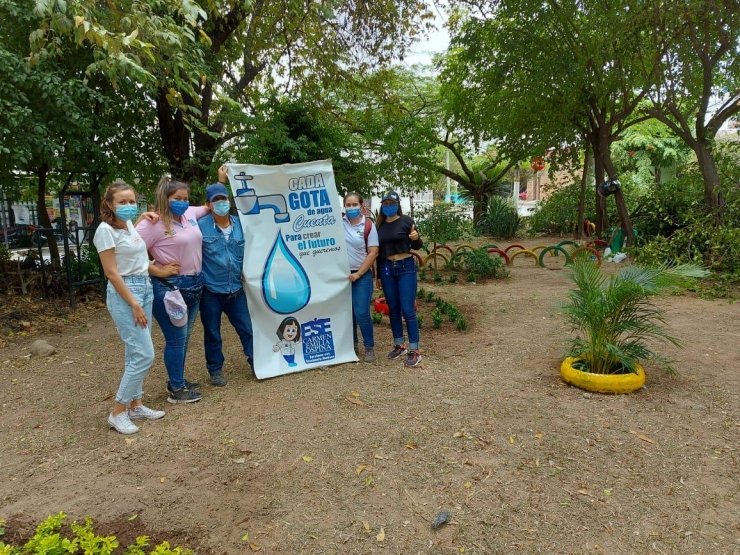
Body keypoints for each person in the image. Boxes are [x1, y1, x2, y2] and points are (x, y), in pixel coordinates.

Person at [93, 180, 165, 434]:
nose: (128, 206)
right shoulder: (105, 231)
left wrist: (143, 215)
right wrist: (134, 304)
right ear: (109, 205)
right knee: (145, 354)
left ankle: (136, 404)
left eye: (132, 201)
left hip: (144, 286)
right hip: (126, 293)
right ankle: (118, 410)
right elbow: (112, 273)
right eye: (122, 202)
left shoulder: (129, 224)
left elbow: (133, 245)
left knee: (134, 352)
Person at [136, 175, 209, 404]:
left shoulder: (189, 215)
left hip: (195, 285)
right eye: (178, 198)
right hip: (170, 288)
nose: (183, 202)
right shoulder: (152, 223)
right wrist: (156, 270)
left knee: (184, 338)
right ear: (165, 198)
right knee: (176, 339)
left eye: (186, 198)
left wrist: (221, 180)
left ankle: (177, 379)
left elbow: (209, 207)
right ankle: (177, 389)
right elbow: (124, 253)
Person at [198, 172, 254, 386]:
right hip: (211, 291)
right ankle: (215, 369)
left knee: (247, 328)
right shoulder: (200, 226)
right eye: (216, 200)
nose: (221, 203)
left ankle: (256, 361)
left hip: (236, 289)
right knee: (212, 332)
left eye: (224, 199)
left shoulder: (241, 224)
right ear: (208, 205)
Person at [375, 190, 423, 367]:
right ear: (382, 206)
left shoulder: (406, 221)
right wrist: (378, 276)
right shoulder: (379, 226)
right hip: (387, 269)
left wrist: (416, 238)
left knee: (407, 309)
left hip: (405, 267)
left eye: (391, 203)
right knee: (393, 309)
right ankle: (399, 344)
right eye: (385, 204)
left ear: (397, 204)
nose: (388, 206)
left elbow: (417, 244)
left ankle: (414, 349)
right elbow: (378, 253)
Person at [342, 192, 379, 362]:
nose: (351, 208)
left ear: (361, 206)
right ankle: (352, 346)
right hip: (343, 276)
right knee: (347, 313)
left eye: (354, 205)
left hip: (361, 276)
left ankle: (369, 347)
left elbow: (373, 253)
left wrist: (359, 273)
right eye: (348, 205)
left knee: (362, 312)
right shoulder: (338, 223)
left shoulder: (368, 225)